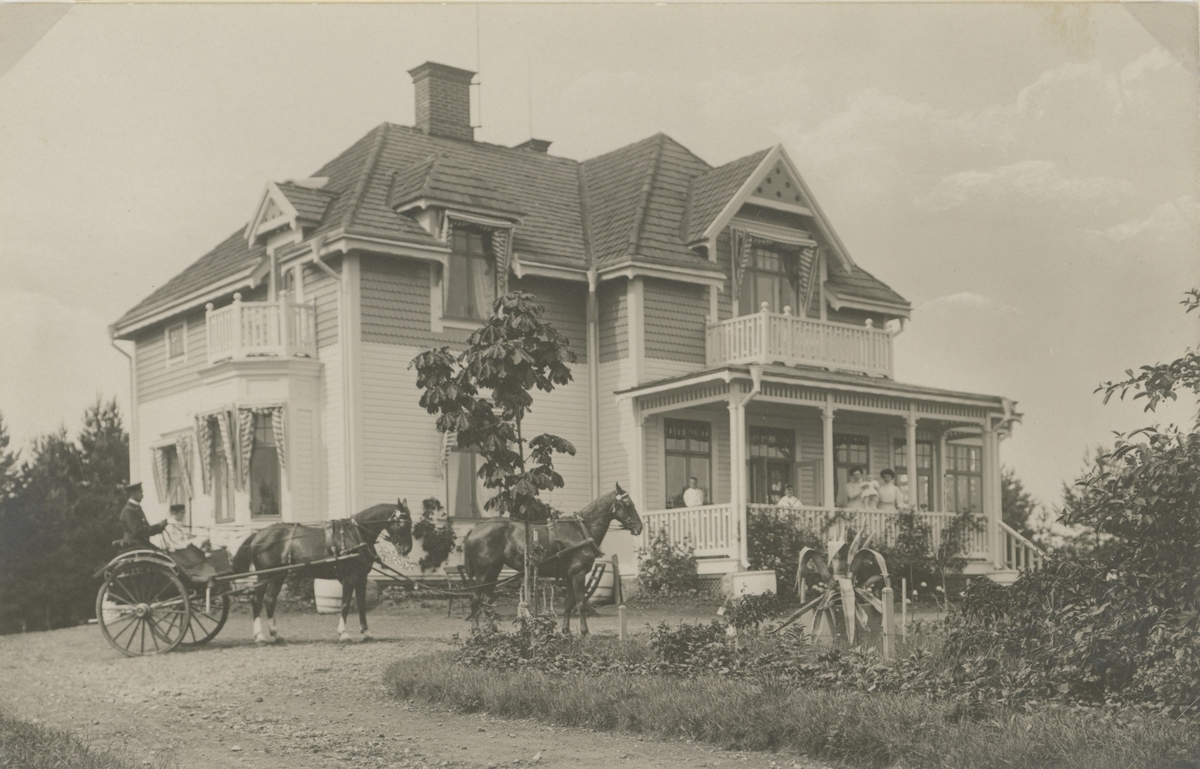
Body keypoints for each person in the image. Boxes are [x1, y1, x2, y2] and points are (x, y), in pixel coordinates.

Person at [118, 482, 167, 548]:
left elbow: (144, 528)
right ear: (132, 493)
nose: (142, 495)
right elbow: (139, 531)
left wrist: (160, 527)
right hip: (134, 544)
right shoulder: (128, 511)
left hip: (141, 543)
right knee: (160, 553)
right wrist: (159, 526)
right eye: (140, 492)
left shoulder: (135, 508)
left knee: (162, 551)